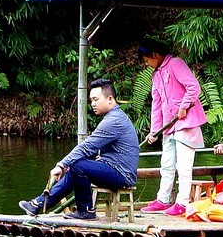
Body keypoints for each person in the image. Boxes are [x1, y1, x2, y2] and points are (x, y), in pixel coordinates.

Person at [19, 78, 140, 219]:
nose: (93, 104)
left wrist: (61, 165)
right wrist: (67, 165)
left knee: (78, 166)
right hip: (115, 169)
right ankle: (38, 203)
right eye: (91, 100)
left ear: (110, 99)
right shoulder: (114, 117)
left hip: (122, 175)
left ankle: (86, 211)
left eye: (96, 99)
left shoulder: (114, 121)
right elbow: (90, 150)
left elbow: (87, 146)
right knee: (76, 165)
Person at [138, 39, 207, 217]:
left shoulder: (176, 64)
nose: (146, 64)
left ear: (155, 54)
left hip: (186, 122)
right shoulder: (156, 75)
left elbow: (194, 87)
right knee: (167, 164)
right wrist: (155, 131)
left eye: (146, 60)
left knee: (183, 166)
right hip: (169, 126)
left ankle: (182, 203)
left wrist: (184, 106)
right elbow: (157, 104)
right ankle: (163, 199)